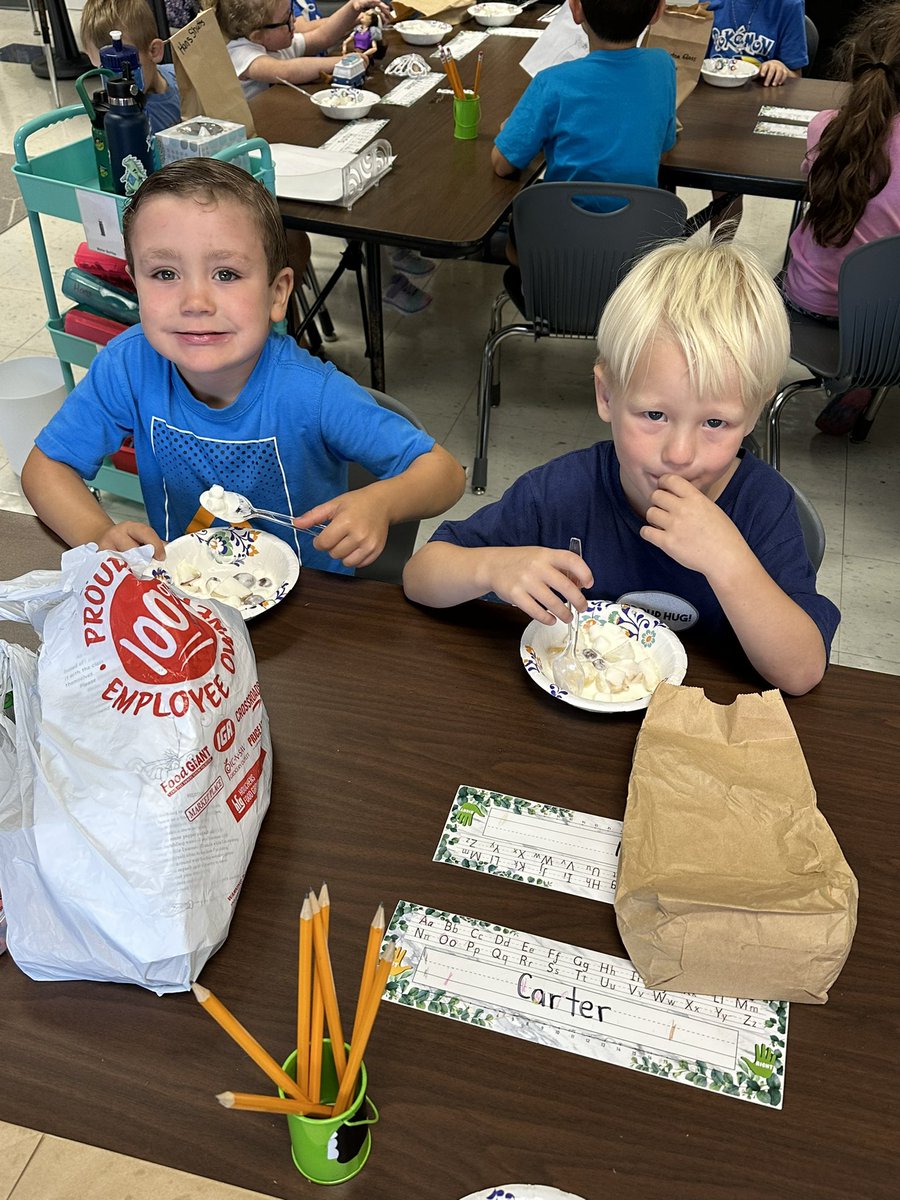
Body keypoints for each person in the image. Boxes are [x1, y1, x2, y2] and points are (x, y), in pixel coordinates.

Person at [403, 240, 840, 696]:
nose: (679, 454)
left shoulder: (762, 506)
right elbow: (420, 576)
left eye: (715, 422)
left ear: (753, 415)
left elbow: (801, 672)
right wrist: (491, 568)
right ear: (607, 396)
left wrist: (728, 562)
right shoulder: (559, 492)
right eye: (654, 415)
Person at [21, 159, 465, 574]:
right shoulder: (128, 366)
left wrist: (382, 502)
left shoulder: (312, 394)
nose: (195, 302)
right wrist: (97, 534)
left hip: (314, 606)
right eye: (164, 274)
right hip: (189, 597)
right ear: (135, 285)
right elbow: (46, 468)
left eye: (226, 274)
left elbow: (443, 474)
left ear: (277, 293)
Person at [782, 0, 900, 435]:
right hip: (884, 326)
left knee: (786, 270)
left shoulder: (825, 126)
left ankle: (846, 374)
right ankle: (866, 377)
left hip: (807, 307)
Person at [492, 0, 676, 188]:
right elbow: (664, 145)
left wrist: (514, 130)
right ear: (658, 11)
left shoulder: (551, 82)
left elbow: (502, 165)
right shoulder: (663, 66)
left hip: (560, 216)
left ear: (576, 8)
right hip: (641, 216)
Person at [216, 0, 391, 100]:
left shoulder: (276, 44)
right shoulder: (240, 52)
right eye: (286, 20)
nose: (294, 23)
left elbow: (323, 36)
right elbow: (286, 72)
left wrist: (353, 8)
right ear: (257, 36)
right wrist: (343, 62)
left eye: (292, 13)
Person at [80, 0, 181, 133]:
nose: (118, 85)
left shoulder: (182, 80)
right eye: (105, 72)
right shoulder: (117, 120)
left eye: (125, 72)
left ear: (154, 51)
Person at [705, 0, 807, 86]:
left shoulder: (790, 4)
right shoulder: (709, 2)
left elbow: (796, 77)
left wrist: (779, 68)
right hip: (711, 88)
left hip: (763, 92)